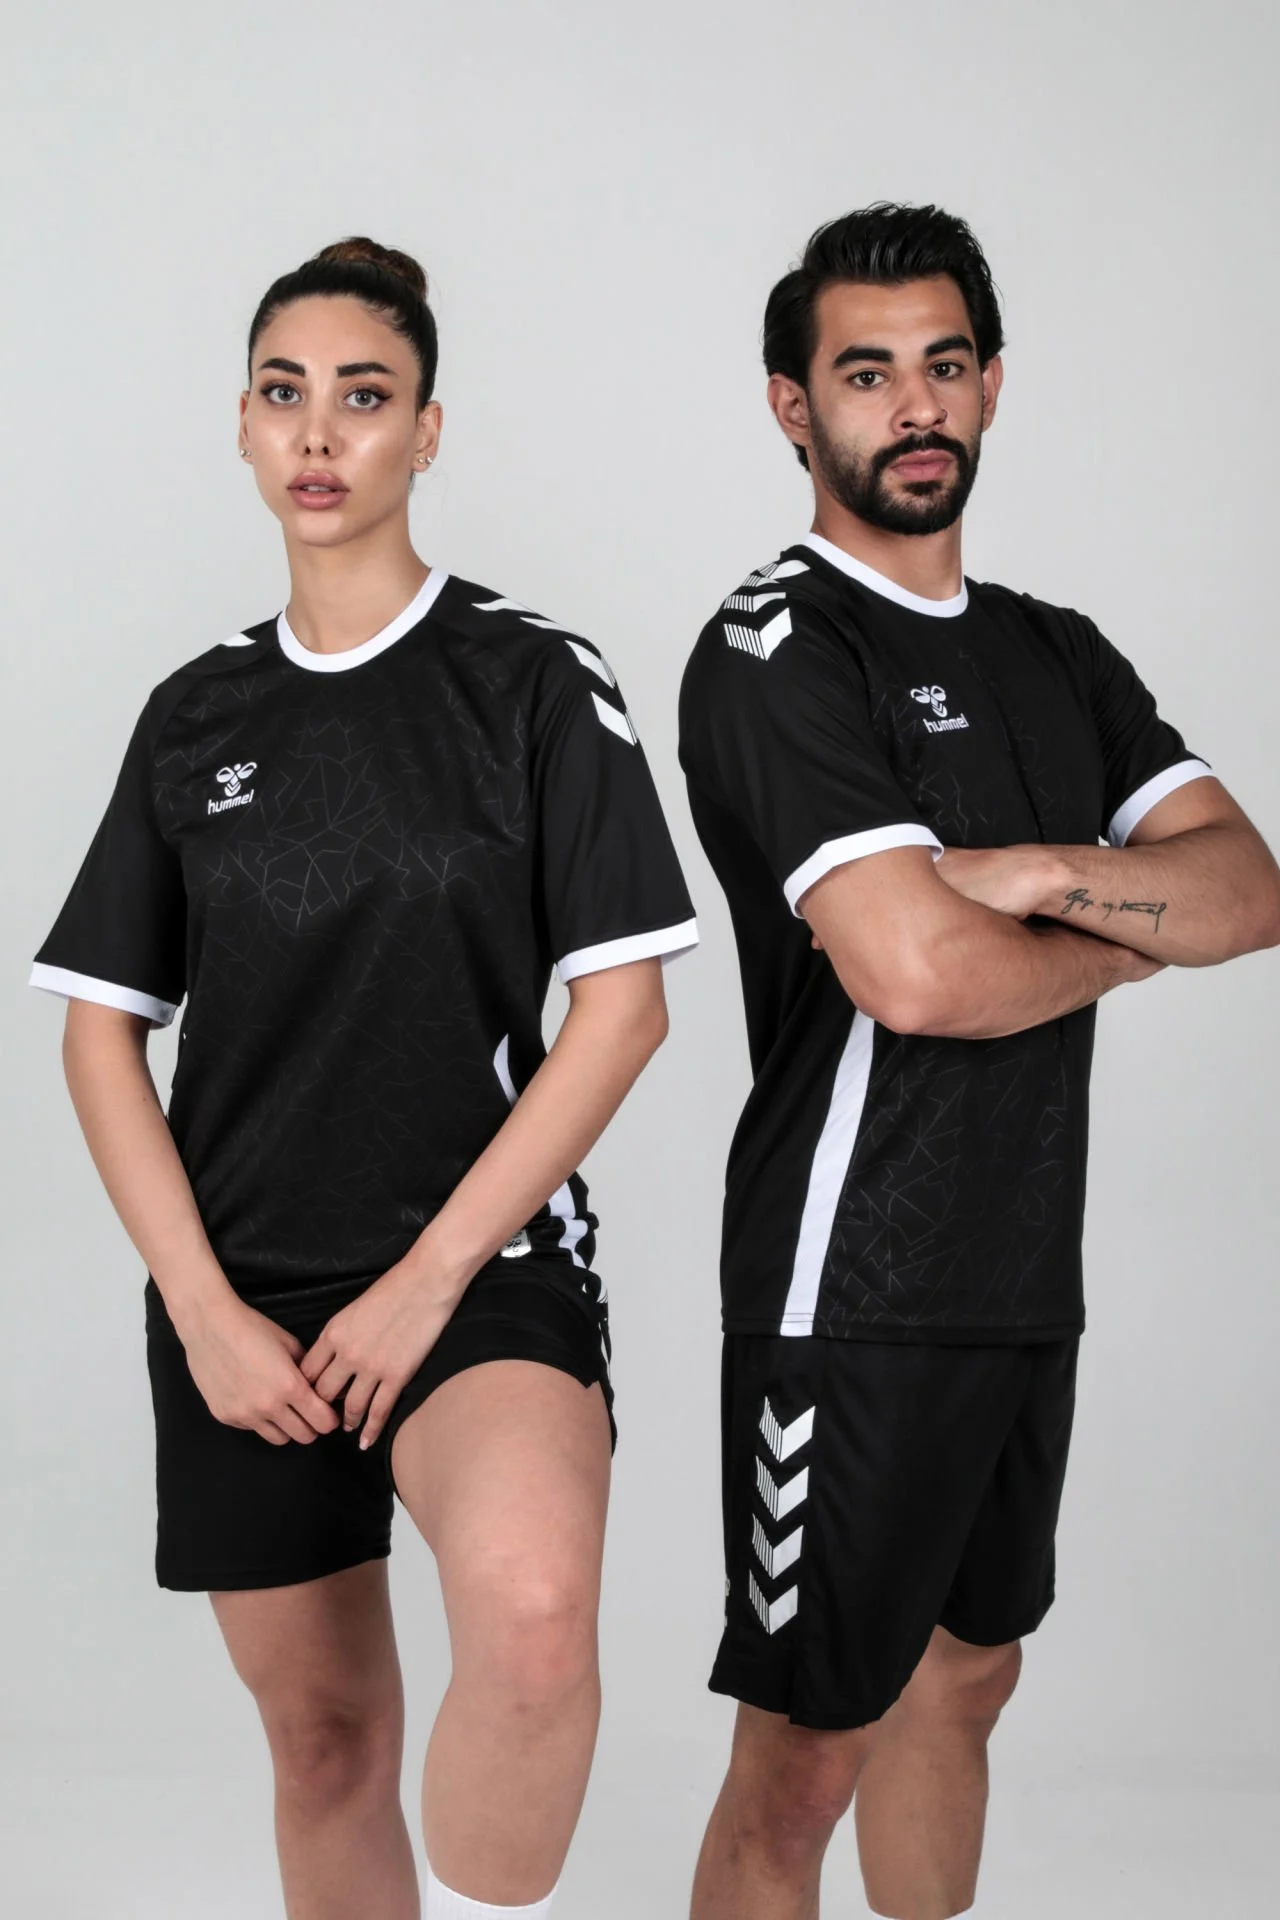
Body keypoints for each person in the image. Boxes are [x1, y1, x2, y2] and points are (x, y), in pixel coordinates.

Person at [30, 236, 697, 1920]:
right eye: (285, 393)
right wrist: (202, 1312)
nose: (320, 430)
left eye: (365, 395)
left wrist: (423, 1282)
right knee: (325, 1747)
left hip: (477, 1269)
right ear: (244, 428)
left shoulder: (530, 683)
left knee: (532, 1634)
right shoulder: (194, 717)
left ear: (427, 431)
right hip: (241, 1295)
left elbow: (623, 1012)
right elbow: (100, 1033)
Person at [677, 202, 1280, 1920]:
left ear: (994, 385)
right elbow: (917, 976)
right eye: (866, 373)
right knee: (807, 1752)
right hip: (848, 1283)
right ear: (794, 406)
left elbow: (1250, 890)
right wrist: (1129, 931)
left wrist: (1030, 875)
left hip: (1021, 1268)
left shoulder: (1054, 652)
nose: (916, 405)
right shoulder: (778, 647)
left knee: (966, 1678)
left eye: (945, 365)